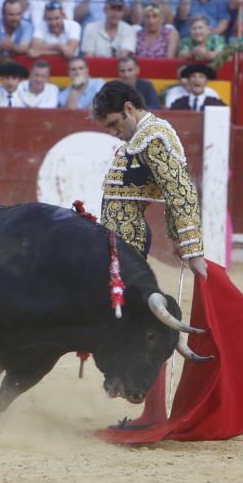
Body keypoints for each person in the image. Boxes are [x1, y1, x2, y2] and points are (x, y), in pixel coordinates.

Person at [90, 79, 207, 430]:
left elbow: (181, 192)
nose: (115, 132)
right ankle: (128, 387)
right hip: (116, 244)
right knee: (128, 322)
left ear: (129, 108)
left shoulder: (153, 137)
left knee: (142, 326)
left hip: (127, 245)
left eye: (114, 123)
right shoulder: (143, 137)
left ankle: (151, 408)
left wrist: (191, 247)